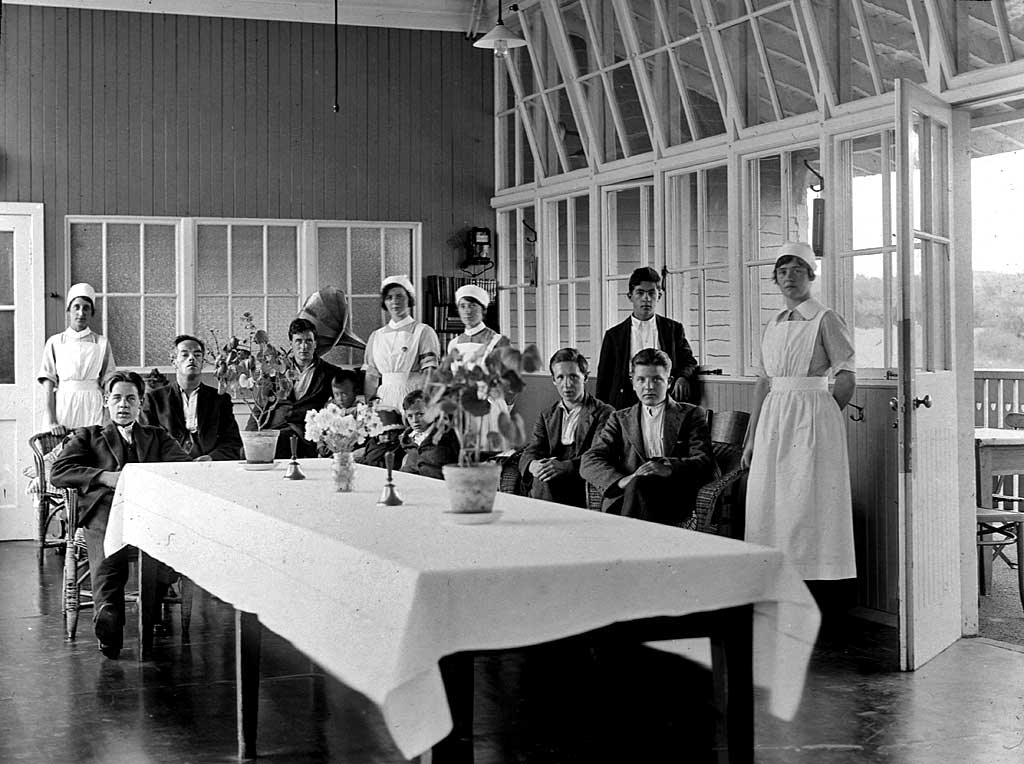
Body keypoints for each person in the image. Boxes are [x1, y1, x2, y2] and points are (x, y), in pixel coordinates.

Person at [50, 371, 191, 659]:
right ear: (106, 401)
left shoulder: (156, 436)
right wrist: (104, 477)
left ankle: (148, 613)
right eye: (116, 398)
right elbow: (59, 472)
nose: (123, 404)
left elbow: (183, 467)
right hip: (105, 509)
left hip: (147, 511)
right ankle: (109, 617)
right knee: (108, 545)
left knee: (159, 548)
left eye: (130, 399)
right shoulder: (88, 436)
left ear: (140, 404)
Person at [741, 241, 857, 585]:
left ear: (810, 275)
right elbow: (764, 382)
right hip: (773, 422)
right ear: (775, 279)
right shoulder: (772, 324)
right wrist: (750, 439)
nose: (789, 277)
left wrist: (822, 417)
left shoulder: (825, 319)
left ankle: (813, 584)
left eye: (796, 270)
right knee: (770, 501)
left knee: (805, 502)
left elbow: (847, 376)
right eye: (782, 271)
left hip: (811, 422)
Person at [580, 348, 712, 526]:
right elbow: (590, 460)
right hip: (626, 497)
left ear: (669, 382)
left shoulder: (691, 414)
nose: (648, 387)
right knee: (638, 484)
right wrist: (622, 481)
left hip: (671, 497)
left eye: (656, 379)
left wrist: (669, 468)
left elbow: (704, 461)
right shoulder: (619, 418)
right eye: (641, 380)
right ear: (632, 383)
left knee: (640, 487)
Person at [519, 348, 614, 508]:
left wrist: (566, 467)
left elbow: (600, 454)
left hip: (580, 480)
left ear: (585, 378)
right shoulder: (547, 415)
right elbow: (532, 450)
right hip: (547, 481)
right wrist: (532, 465)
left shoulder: (604, 413)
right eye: (560, 377)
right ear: (554, 380)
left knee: (544, 481)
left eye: (573, 377)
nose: (567, 384)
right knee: (543, 478)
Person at [596, 267, 698, 410]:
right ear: (630, 296)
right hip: (624, 405)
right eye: (640, 293)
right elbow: (603, 381)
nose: (646, 298)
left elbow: (689, 361)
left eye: (651, 293)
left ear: (659, 296)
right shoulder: (614, 336)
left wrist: (682, 377)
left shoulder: (673, 330)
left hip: (664, 402)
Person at [140, 334, 242, 461]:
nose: (192, 358)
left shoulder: (219, 399)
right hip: (169, 467)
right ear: (174, 361)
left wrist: (211, 458)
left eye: (197, 355)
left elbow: (233, 443)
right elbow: (146, 443)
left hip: (209, 468)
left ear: (203, 363)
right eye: (185, 355)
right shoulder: (154, 399)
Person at [254, 317, 342, 459]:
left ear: (315, 344)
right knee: (246, 451)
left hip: (308, 437)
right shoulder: (275, 370)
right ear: (291, 343)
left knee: (280, 443)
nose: (304, 346)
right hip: (274, 430)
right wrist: (249, 437)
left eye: (308, 341)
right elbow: (260, 406)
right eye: (298, 341)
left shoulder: (331, 373)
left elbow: (340, 405)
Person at [37, 282, 116, 435]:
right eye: (77, 307)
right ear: (68, 310)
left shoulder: (101, 343)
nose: (81, 312)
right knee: (63, 450)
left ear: (92, 312)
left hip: (93, 404)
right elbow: (48, 384)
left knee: (94, 450)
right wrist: (52, 421)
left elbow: (109, 382)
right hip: (63, 405)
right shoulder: (55, 342)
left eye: (86, 308)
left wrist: (107, 418)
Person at [447, 283, 512, 449]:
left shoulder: (498, 341)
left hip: (489, 407)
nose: (468, 311)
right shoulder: (453, 343)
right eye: (463, 306)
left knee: (488, 455)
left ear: (483, 309)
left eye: (473, 305)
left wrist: (502, 407)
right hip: (462, 408)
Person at [363, 275, 441, 411]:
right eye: (389, 298)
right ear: (384, 303)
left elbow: (429, 373)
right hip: (383, 400)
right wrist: (369, 406)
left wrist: (424, 404)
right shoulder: (376, 336)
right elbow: (371, 377)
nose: (395, 302)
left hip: (413, 397)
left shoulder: (423, 331)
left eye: (400, 296)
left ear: (409, 299)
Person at [399, 390, 458, 480]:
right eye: (410, 416)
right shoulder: (408, 438)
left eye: (420, 414)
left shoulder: (446, 434)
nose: (415, 420)